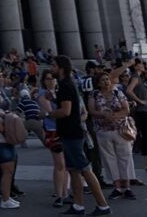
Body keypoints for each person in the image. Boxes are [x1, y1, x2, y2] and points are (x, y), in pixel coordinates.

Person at [49, 55, 112, 216]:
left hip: (71, 132)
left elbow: (66, 111)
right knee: (73, 169)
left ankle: (102, 205)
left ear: (61, 67)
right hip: (70, 132)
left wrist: (49, 114)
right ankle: (78, 205)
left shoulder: (65, 85)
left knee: (84, 169)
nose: (51, 68)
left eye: (53, 65)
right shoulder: (67, 84)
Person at [88, 73, 134, 200]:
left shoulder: (117, 93)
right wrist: (103, 114)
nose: (106, 82)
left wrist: (114, 116)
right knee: (109, 159)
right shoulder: (94, 94)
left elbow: (126, 109)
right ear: (98, 83)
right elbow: (91, 110)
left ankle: (127, 187)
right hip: (103, 130)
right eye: (103, 80)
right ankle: (117, 187)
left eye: (107, 79)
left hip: (120, 129)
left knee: (125, 157)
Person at [38, 70, 68, 207]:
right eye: (48, 79)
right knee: (59, 163)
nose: (51, 81)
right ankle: (59, 194)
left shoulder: (60, 92)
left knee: (65, 163)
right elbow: (51, 113)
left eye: (53, 78)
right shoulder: (42, 94)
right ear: (43, 81)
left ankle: (64, 192)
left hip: (64, 129)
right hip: (52, 130)